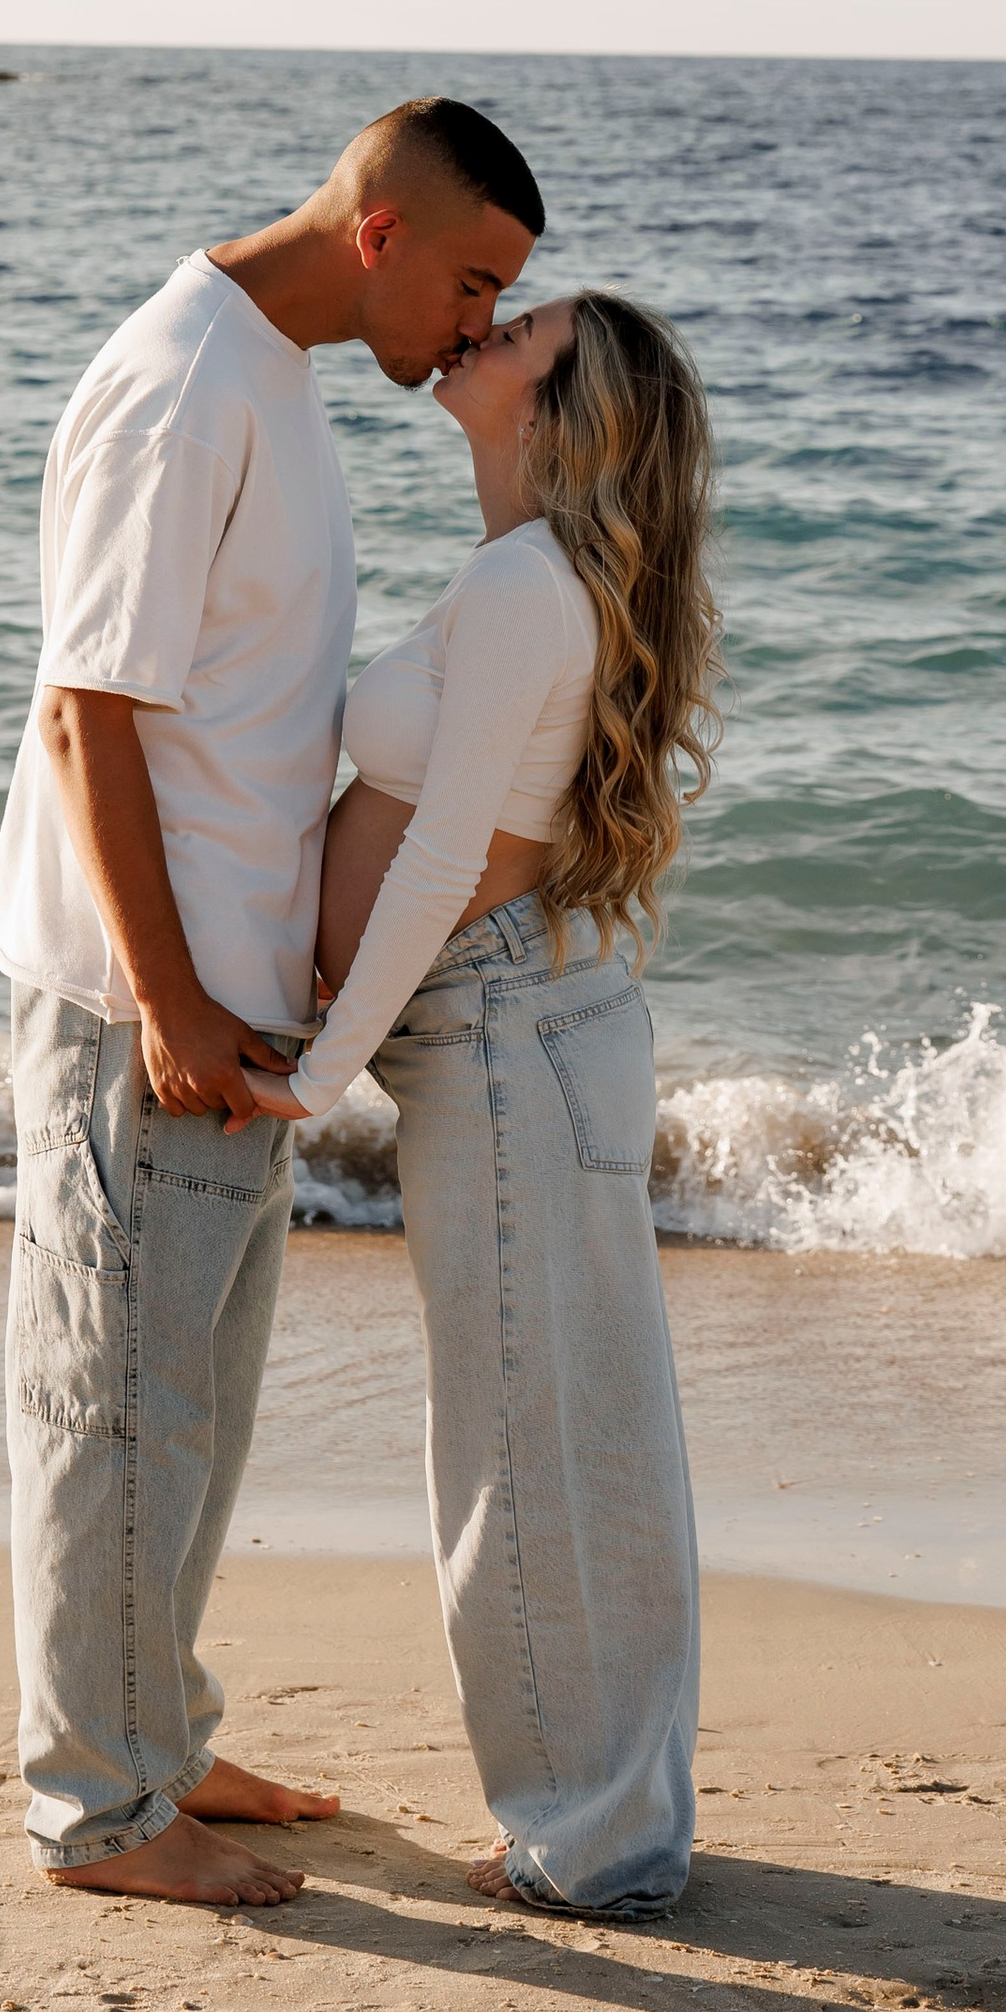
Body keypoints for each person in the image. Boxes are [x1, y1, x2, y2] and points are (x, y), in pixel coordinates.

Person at [0, 99, 544, 1908]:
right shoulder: (184, 380)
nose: (475, 328)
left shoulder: (270, 375)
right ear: (381, 228)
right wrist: (165, 1000)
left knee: (189, 1402)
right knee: (113, 1404)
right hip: (152, 1002)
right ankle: (98, 1809)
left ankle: (157, 1736)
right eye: (472, 282)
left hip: (226, 1004)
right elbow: (92, 713)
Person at [246, 290, 721, 1918]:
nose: (479, 331)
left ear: (564, 401)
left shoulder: (526, 585)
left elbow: (445, 857)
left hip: (509, 1028)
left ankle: (590, 1847)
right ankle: (618, 1825)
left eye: (515, 329)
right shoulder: (534, 580)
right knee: (577, 1437)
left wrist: (316, 1073)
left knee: (530, 1446)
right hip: (532, 1020)